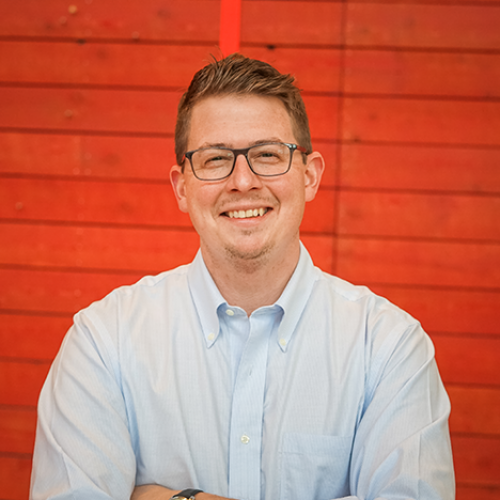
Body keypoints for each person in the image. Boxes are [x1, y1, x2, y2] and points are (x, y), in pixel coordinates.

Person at [30, 54, 455, 500]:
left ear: (309, 176)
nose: (243, 181)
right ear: (182, 187)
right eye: (215, 159)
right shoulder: (104, 341)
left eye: (267, 155)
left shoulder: (388, 348)